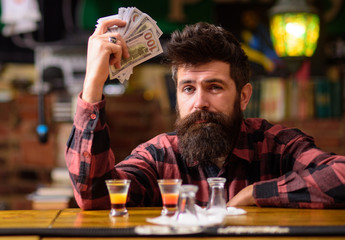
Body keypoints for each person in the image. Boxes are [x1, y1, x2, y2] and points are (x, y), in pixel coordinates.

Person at [65, 18, 345, 210]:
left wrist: (255, 193)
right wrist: (92, 85)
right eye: (188, 88)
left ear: (244, 96)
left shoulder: (277, 146)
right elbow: (94, 197)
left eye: (214, 87)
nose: (199, 102)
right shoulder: (160, 156)